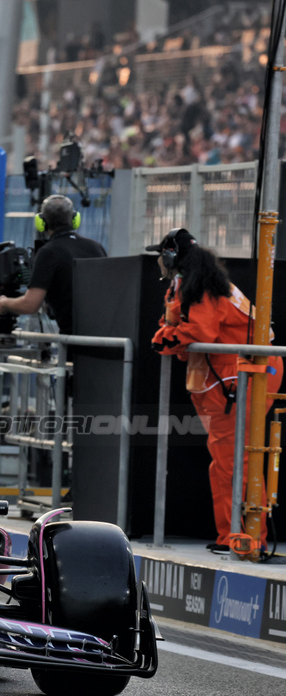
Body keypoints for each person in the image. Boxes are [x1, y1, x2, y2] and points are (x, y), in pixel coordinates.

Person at [151, 228, 283, 554]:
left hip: (245, 376)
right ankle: (233, 535)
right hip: (233, 375)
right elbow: (180, 331)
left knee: (234, 462)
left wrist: (164, 339)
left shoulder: (202, 289)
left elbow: (198, 331)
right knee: (225, 462)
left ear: (170, 257)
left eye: (160, 254)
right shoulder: (193, 284)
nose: (157, 259)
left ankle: (249, 538)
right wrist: (170, 334)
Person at [0, 194, 105, 333]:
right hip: (104, 336)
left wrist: (4, 303)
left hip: (75, 342)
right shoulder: (96, 247)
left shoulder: (49, 252)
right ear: (75, 219)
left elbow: (30, 305)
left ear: (41, 222)